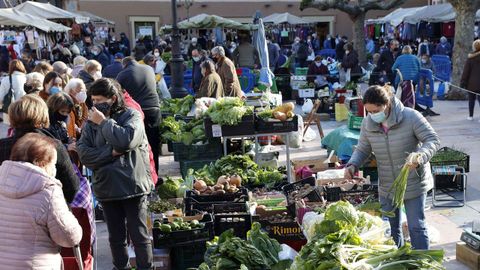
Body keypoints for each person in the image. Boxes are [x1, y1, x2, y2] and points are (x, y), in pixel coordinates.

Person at [345, 85, 440, 250]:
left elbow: (432, 140)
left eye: (376, 111)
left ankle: (422, 262)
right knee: (390, 228)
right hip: (387, 184)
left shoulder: (410, 117)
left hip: (413, 180)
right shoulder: (368, 123)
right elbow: (362, 149)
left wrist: (420, 156)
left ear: (387, 104)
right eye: (369, 112)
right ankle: (398, 262)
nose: (372, 115)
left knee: (416, 226)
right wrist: (352, 164)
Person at [77, 78, 153, 270]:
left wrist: (104, 123)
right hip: (107, 186)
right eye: (92, 100)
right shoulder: (91, 122)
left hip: (132, 185)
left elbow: (126, 141)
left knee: (139, 235)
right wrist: (110, 153)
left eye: (99, 100)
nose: (95, 104)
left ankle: (146, 267)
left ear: (112, 98)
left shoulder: (131, 116)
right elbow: (84, 154)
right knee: (116, 237)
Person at [0, 133, 82, 269]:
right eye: (53, 164)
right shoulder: (48, 190)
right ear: (43, 163)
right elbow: (69, 237)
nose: (55, 169)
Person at [0, 95, 79, 203]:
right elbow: (72, 187)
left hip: (6, 211)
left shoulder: (2, 145)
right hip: (46, 208)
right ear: (43, 115)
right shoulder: (54, 145)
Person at [116, 57, 161, 172]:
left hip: (137, 112)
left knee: (140, 145)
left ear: (124, 65)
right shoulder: (149, 69)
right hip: (154, 108)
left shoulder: (122, 75)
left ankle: (146, 173)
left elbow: (119, 95)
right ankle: (156, 173)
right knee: (154, 143)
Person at [461, 39, 480, 121]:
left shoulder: (470, 59)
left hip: (471, 84)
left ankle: (470, 115)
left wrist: (463, 82)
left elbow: (466, 72)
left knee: (471, 100)